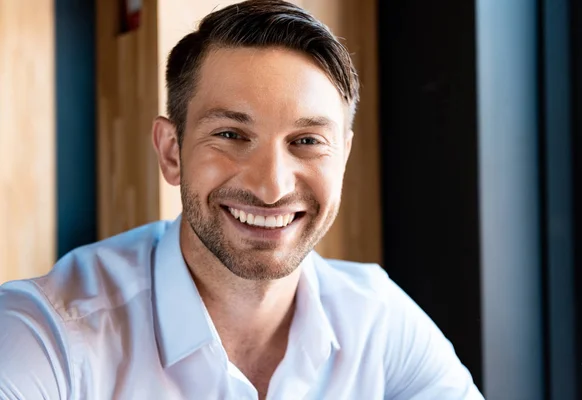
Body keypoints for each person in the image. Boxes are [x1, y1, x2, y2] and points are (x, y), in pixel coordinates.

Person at [0, 1, 484, 399]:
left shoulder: (379, 321)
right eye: (231, 134)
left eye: (308, 141)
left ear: (343, 158)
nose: (271, 187)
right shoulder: (45, 337)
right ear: (172, 152)